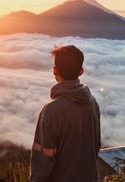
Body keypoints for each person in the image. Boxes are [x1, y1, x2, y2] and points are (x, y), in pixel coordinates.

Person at [29, 45, 101, 182]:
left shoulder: (51, 112)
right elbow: (96, 147)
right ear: (81, 71)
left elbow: (42, 165)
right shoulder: (93, 103)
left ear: (54, 70)